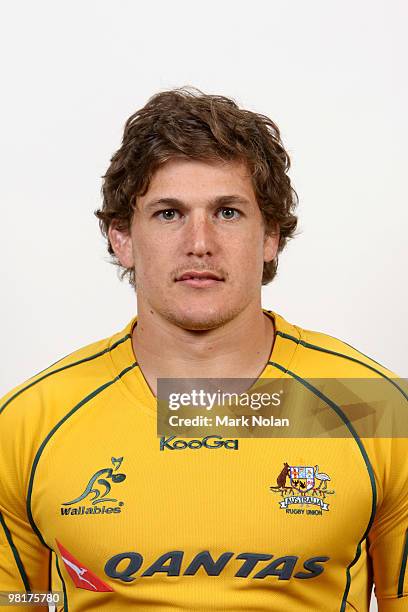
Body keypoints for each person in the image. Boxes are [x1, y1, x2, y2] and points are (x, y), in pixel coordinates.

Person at [0, 87, 406, 612]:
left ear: (270, 237)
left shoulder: (371, 406)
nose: (200, 243)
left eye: (228, 212)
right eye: (169, 213)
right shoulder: (30, 421)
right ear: (121, 236)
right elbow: (18, 599)